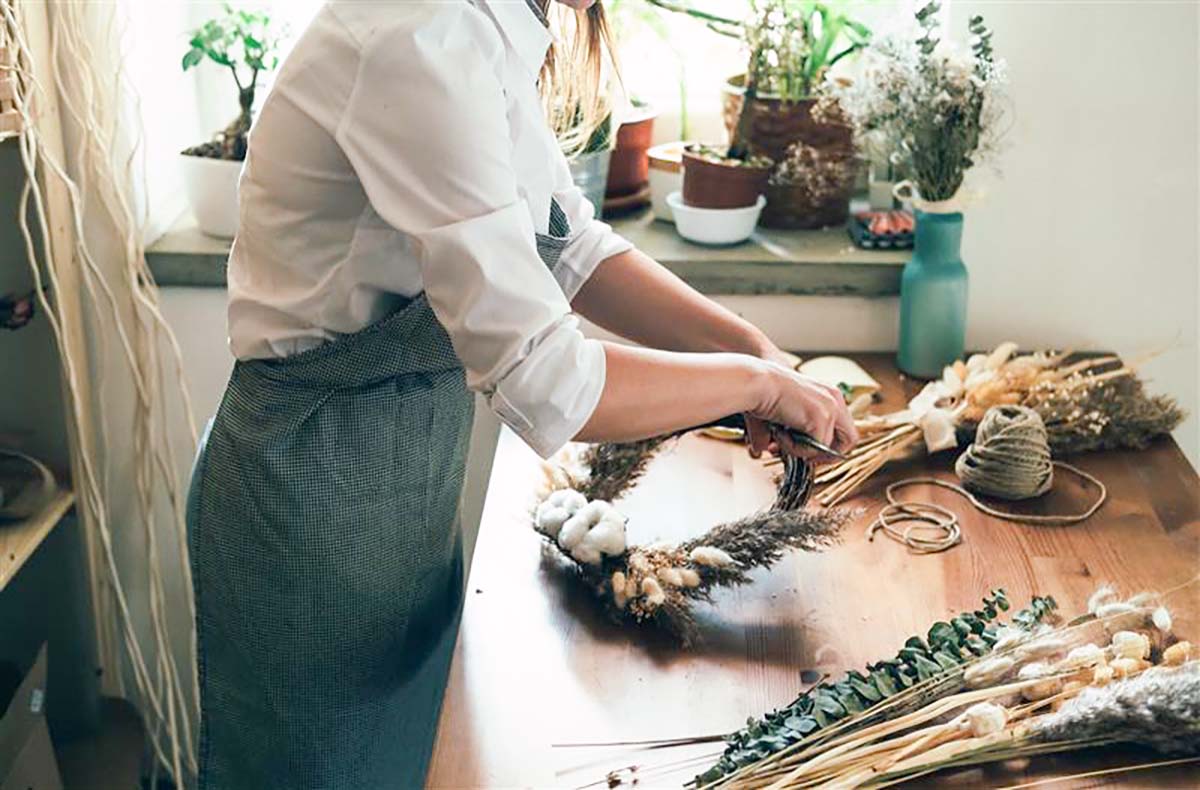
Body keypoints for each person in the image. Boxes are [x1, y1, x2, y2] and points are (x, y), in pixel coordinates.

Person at [185, 1, 857, 787]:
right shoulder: (420, 37)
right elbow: (547, 378)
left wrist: (750, 349)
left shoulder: (486, 27)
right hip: (307, 508)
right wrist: (755, 386)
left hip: (404, 495)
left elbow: (567, 248)